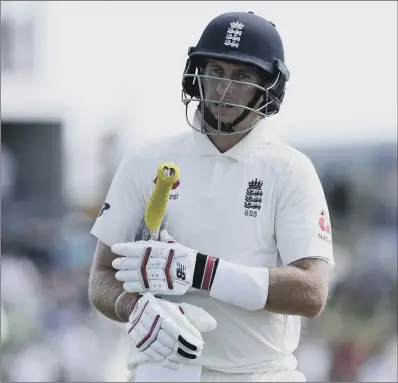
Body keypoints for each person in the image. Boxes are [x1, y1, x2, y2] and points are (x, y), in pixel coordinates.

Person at [88, 11, 335, 382]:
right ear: (196, 74)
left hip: (257, 374)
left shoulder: (289, 169)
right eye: (215, 71)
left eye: (242, 77)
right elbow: (102, 276)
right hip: (164, 372)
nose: (223, 89)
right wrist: (132, 307)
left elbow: (312, 292)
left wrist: (201, 271)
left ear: (269, 86)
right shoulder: (146, 159)